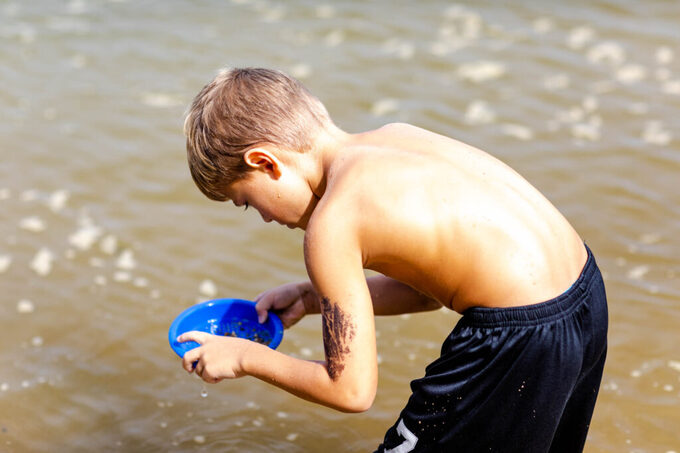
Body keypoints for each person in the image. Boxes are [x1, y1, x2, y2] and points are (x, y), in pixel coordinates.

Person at [177, 67, 608, 452]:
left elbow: (350, 391)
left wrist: (243, 358)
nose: (267, 218)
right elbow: (428, 294)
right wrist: (311, 299)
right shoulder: (397, 136)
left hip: (518, 339)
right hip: (583, 294)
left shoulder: (333, 223)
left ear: (265, 162)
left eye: (248, 202)